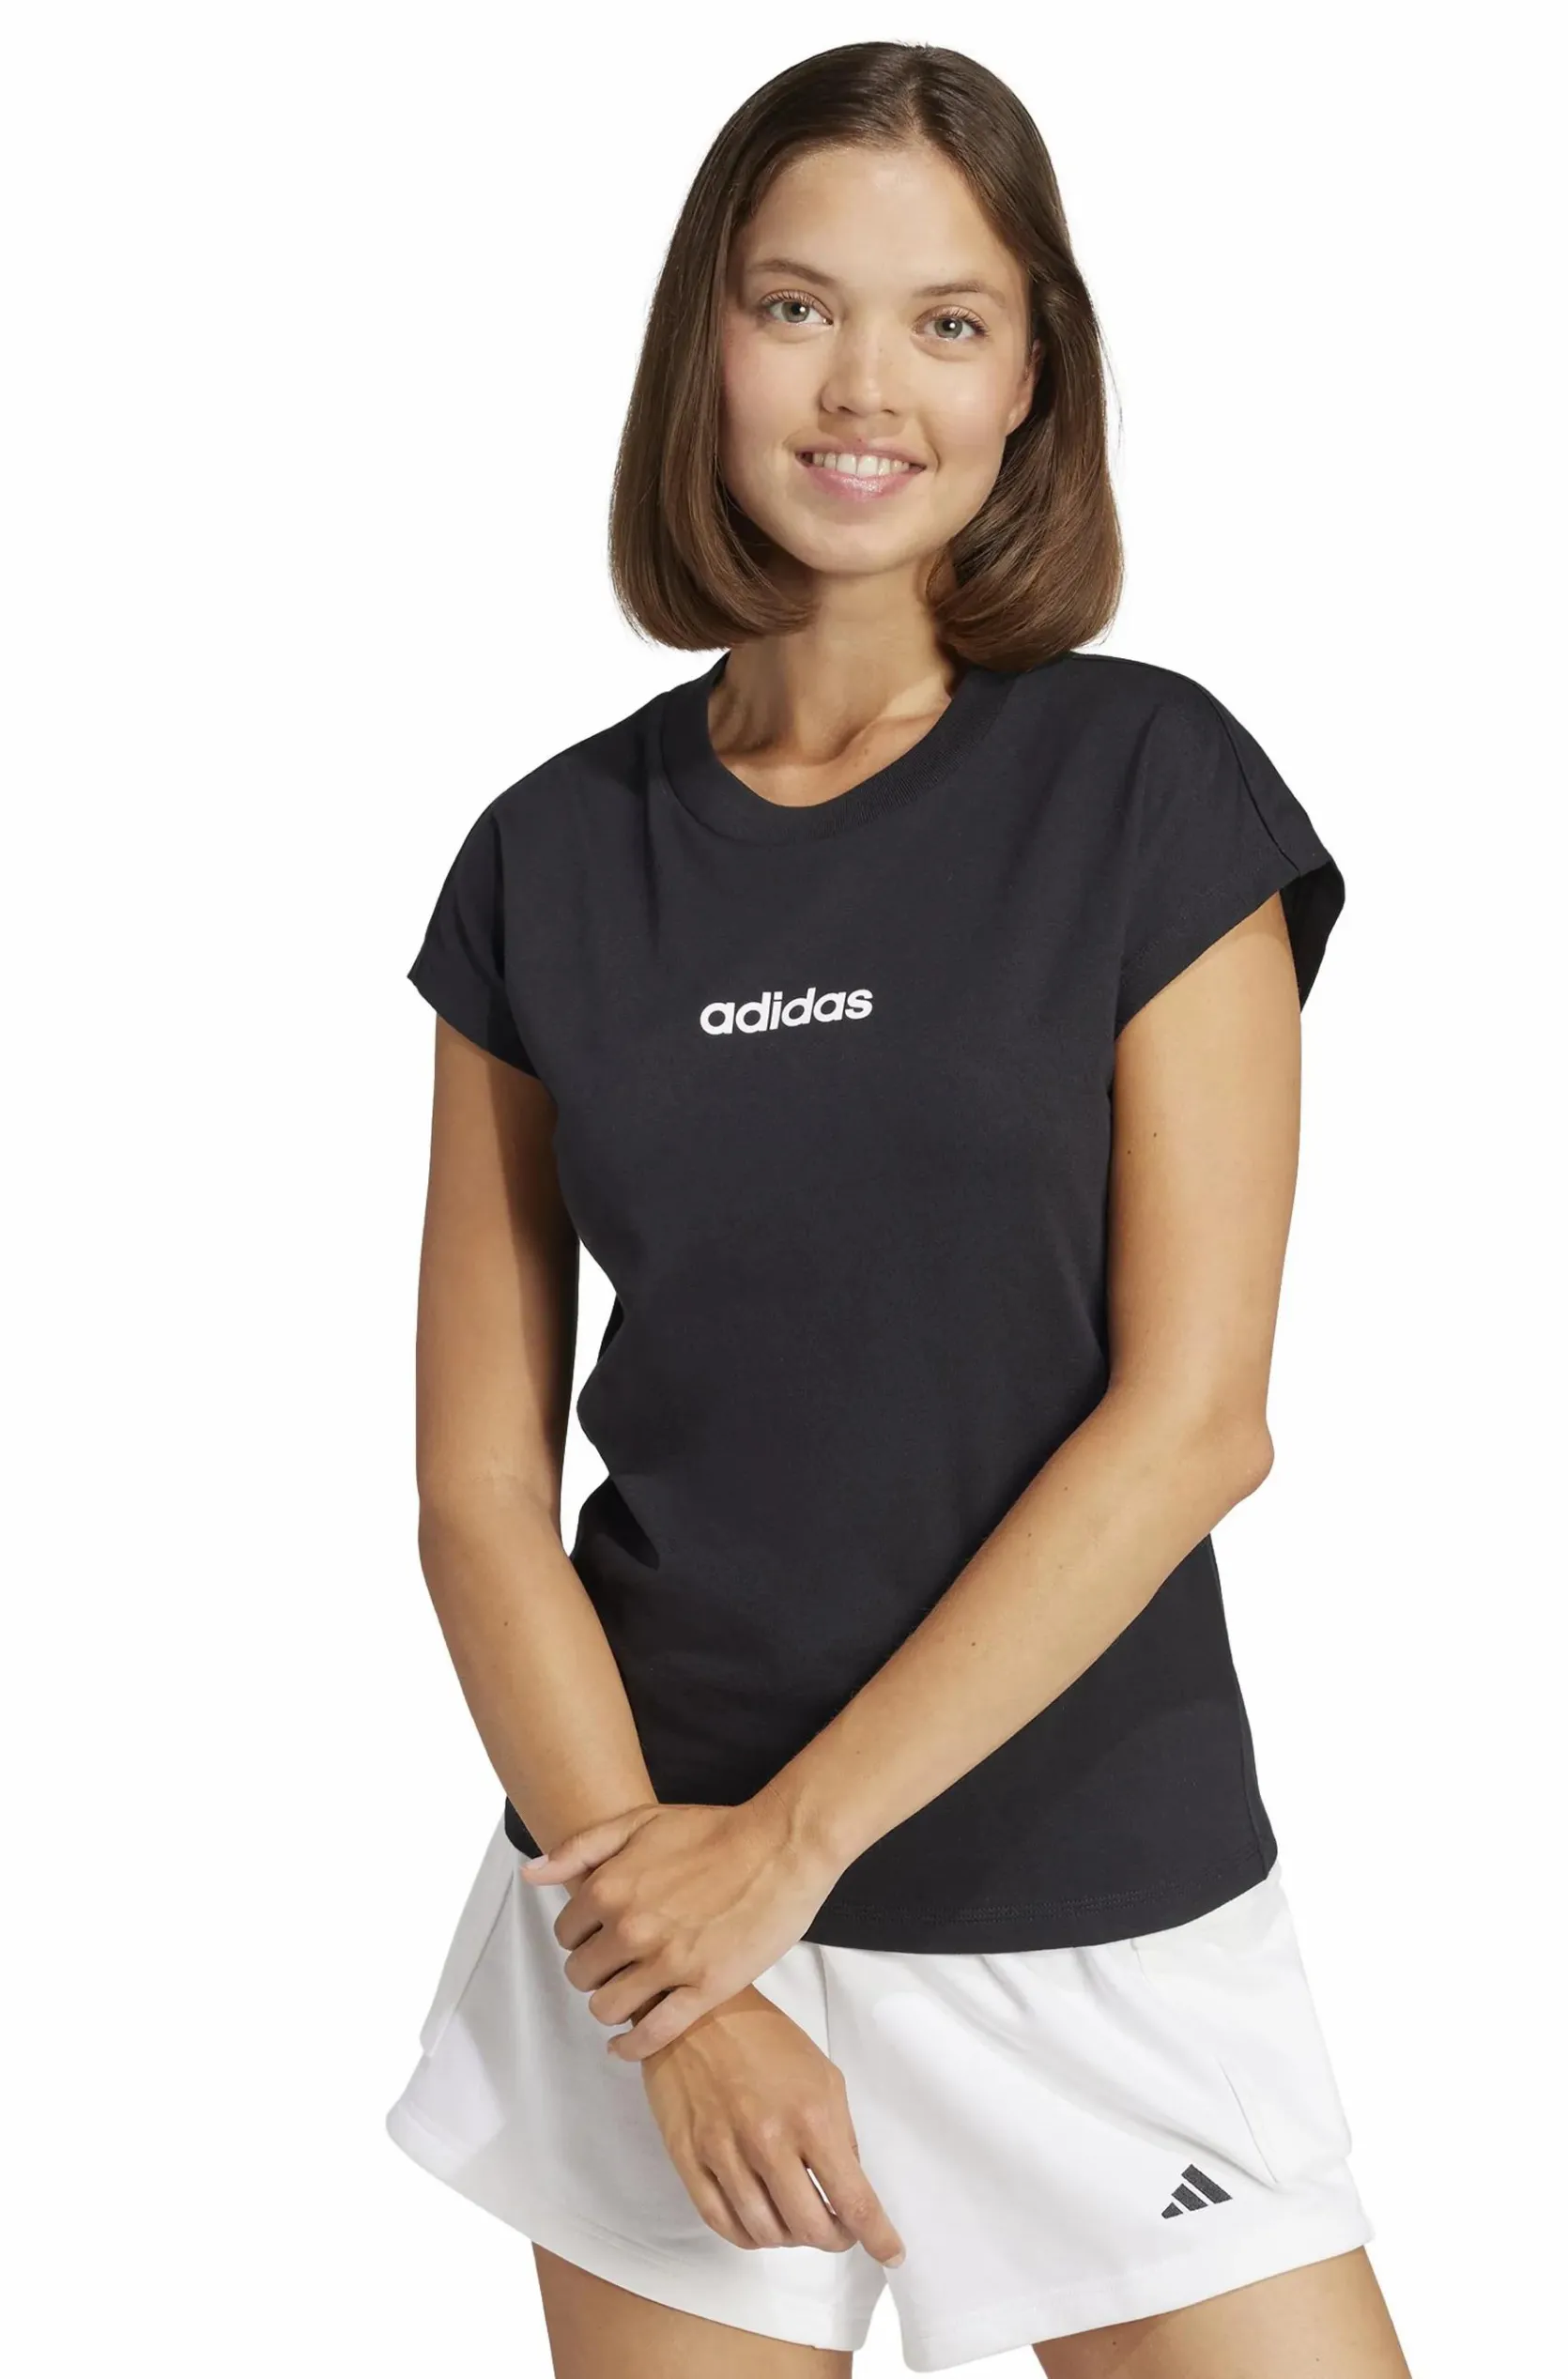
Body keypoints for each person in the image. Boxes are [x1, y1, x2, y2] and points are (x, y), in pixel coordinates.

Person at [383, 38, 1412, 2379]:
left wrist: (787, 1850)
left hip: (1075, 1880)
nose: (865, 386)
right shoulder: (545, 861)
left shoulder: (1147, 786)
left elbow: (1195, 1420)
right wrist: (679, 1961)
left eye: (946, 321)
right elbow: (475, 1496)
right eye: (796, 307)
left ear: (1029, 377)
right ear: (705, 343)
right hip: (643, 1889)